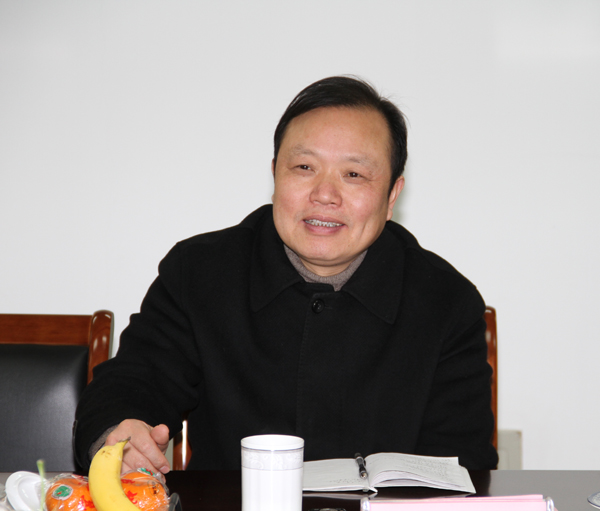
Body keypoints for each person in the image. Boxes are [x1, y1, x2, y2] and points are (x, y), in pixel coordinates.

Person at [74, 76, 498, 475]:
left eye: (353, 174)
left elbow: (463, 465)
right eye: (304, 168)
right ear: (275, 174)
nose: (325, 195)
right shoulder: (200, 273)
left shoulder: (445, 303)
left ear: (391, 196)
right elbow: (136, 381)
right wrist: (121, 432)